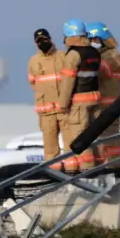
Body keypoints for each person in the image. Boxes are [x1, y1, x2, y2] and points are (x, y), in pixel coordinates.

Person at [27, 28, 76, 163]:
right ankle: (55, 174)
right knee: (50, 148)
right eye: (39, 41)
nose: (42, 43)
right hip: (46, 112)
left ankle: (72, 171)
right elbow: (33, 83)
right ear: (35, 43)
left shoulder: (63, 56)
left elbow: (71, 79)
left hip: (64, 109)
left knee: (71, 144)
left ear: (50, 39)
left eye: (44, 39)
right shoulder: (33, 61)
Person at [61, 19, 102, 173]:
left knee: (80, 137)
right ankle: (99, 166)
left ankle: (88, 170)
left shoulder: (73, 54)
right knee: (94, 136)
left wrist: (63, 105)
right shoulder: (94, 52)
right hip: (95, 98)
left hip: (80, 102)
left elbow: (67, 82)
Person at [86, 22, 120, 166]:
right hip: (108, 103)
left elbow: (102, 71)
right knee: (107, 138)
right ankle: (111, 164)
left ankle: (112, 166)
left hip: (108, 104)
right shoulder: (109, 54)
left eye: (93, 40)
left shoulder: (110, 55)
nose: (91, 43)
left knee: (108, 138)